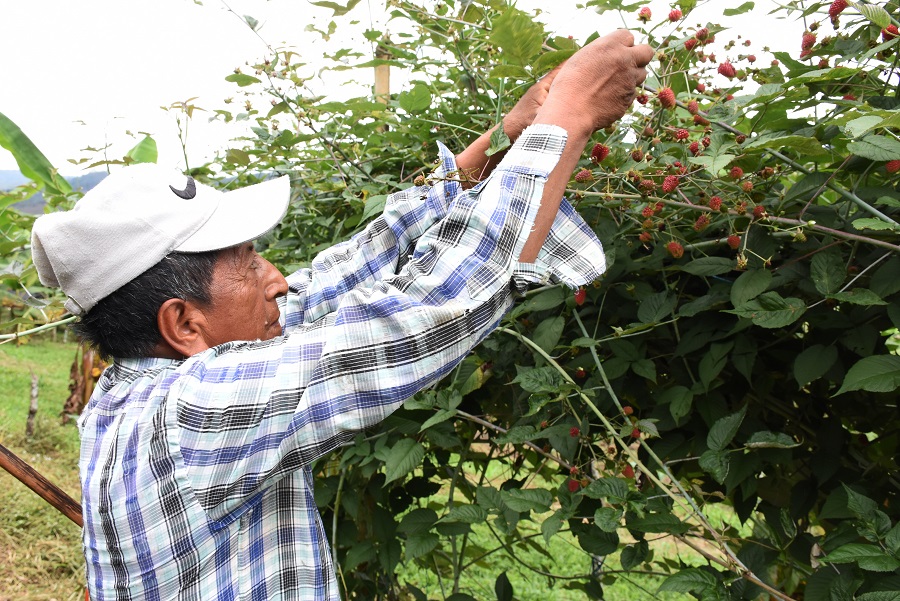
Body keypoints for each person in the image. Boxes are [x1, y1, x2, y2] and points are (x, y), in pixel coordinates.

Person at [31, 29, 653, 601]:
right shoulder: (190, 416)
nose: (278, 279)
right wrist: (569, 115)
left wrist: (503, 142)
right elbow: (417, 317)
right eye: (247, 261)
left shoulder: (148, 381)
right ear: (183, 324)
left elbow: (340, 274)